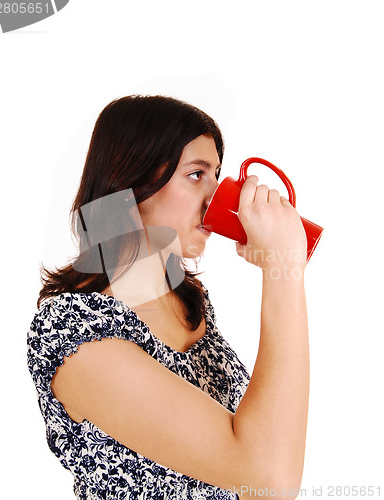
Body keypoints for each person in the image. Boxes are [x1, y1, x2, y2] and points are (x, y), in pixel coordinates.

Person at [27, 95, 309, 499]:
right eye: (196, 174)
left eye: (217, 175)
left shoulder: (189, 301)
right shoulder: (78, 334)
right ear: (132, 183)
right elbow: (269, 481)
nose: (216, 196)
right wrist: (284, 271)